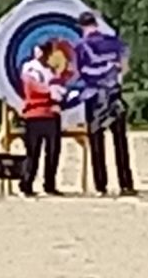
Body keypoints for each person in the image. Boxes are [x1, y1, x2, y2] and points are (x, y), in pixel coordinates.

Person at [72, 12, 136, 196]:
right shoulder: (113, 41)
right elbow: (125, 63)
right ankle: (126, 183)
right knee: (120, 141)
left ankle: (101, 186)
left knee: (97, 142)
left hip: (93, 96)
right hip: (114, 94)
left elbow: (79, 73)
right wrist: (115, 72)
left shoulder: (81, 46)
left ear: (82, 27)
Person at [15, 45, 66, 197]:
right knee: (33, 152)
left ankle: (50, 184)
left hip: (51, 115)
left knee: (52, 151)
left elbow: (59, 90)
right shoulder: (29, 68)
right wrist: (50, 92)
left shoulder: (51, 71)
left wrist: (58, 94)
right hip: (34, 114)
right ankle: (26, 184)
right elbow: (32, 87)